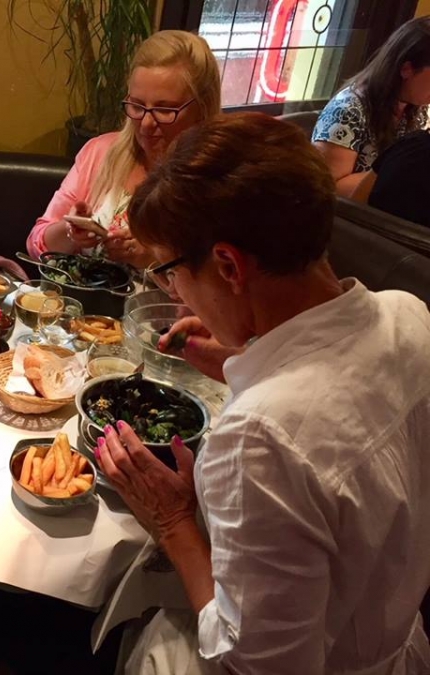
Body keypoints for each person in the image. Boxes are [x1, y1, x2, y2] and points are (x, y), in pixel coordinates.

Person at [98, 112, 430, 673]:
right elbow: (338, 395)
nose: (174, 293)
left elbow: (254, 663)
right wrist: (242, 357)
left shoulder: (260, 439)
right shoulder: (409, 315)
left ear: (228, 265)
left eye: (170, 272)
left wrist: (173, 521)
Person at [26, 30, 221, 268]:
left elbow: (225, 281)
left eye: (165, 109)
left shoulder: (219, 180)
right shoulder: (100, 151)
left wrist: (152, 260)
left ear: (202, 108)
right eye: (137, 106)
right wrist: (71, 232)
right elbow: (36, 243)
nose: (146, 123)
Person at [312, 16, 430, 198]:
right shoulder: (347, 109)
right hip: (350, 214)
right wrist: (398, 170)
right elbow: (329, 188)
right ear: (406, 69)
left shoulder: (413, 107)